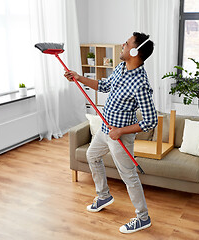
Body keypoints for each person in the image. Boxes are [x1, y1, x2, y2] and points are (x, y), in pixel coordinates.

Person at [64, 32, 157, 234]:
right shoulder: (121, 67)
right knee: (92, 155)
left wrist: (121, 131)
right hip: (105, 129)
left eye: (127, 43)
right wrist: (79, 78)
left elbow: (151, 121)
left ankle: (143, 217)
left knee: (129, 176)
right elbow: (104, 85)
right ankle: (104, 195)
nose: (122, 44)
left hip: (120, 136)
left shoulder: (140, 84)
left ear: (134, 51)